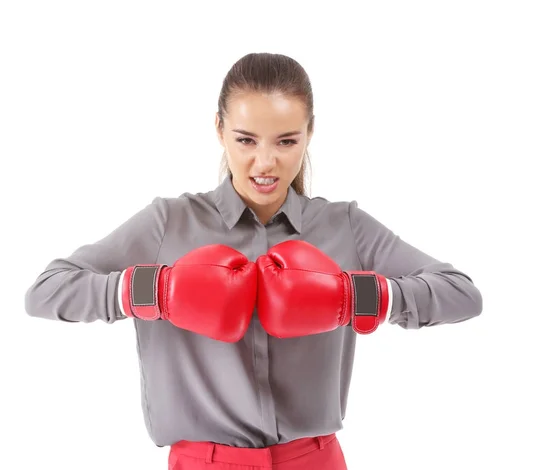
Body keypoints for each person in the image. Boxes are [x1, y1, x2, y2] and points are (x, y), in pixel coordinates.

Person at [24, 52, 483, 470]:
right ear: (219, 129)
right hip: (204, 463)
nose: (265, 162)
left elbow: (461, 293)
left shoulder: (344, 226)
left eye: (286, 141)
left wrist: (354, 295)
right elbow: (46, 290)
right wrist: (156, 292)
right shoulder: (170, 222)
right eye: (246, 140)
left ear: (310, 133)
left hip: (315, 461)